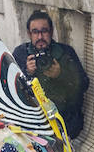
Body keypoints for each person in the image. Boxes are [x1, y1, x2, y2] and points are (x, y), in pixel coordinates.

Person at [12, 10, 89, 140]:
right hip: (34, 120)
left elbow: (84, 84)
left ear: (51, 32)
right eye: (35, 32)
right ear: (29, 34)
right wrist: (27, 73)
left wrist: (61, 74)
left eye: (44, 31)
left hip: (64, 120)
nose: (40, 36)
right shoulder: (21, 54)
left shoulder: (65, 52)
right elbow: (13, 90)